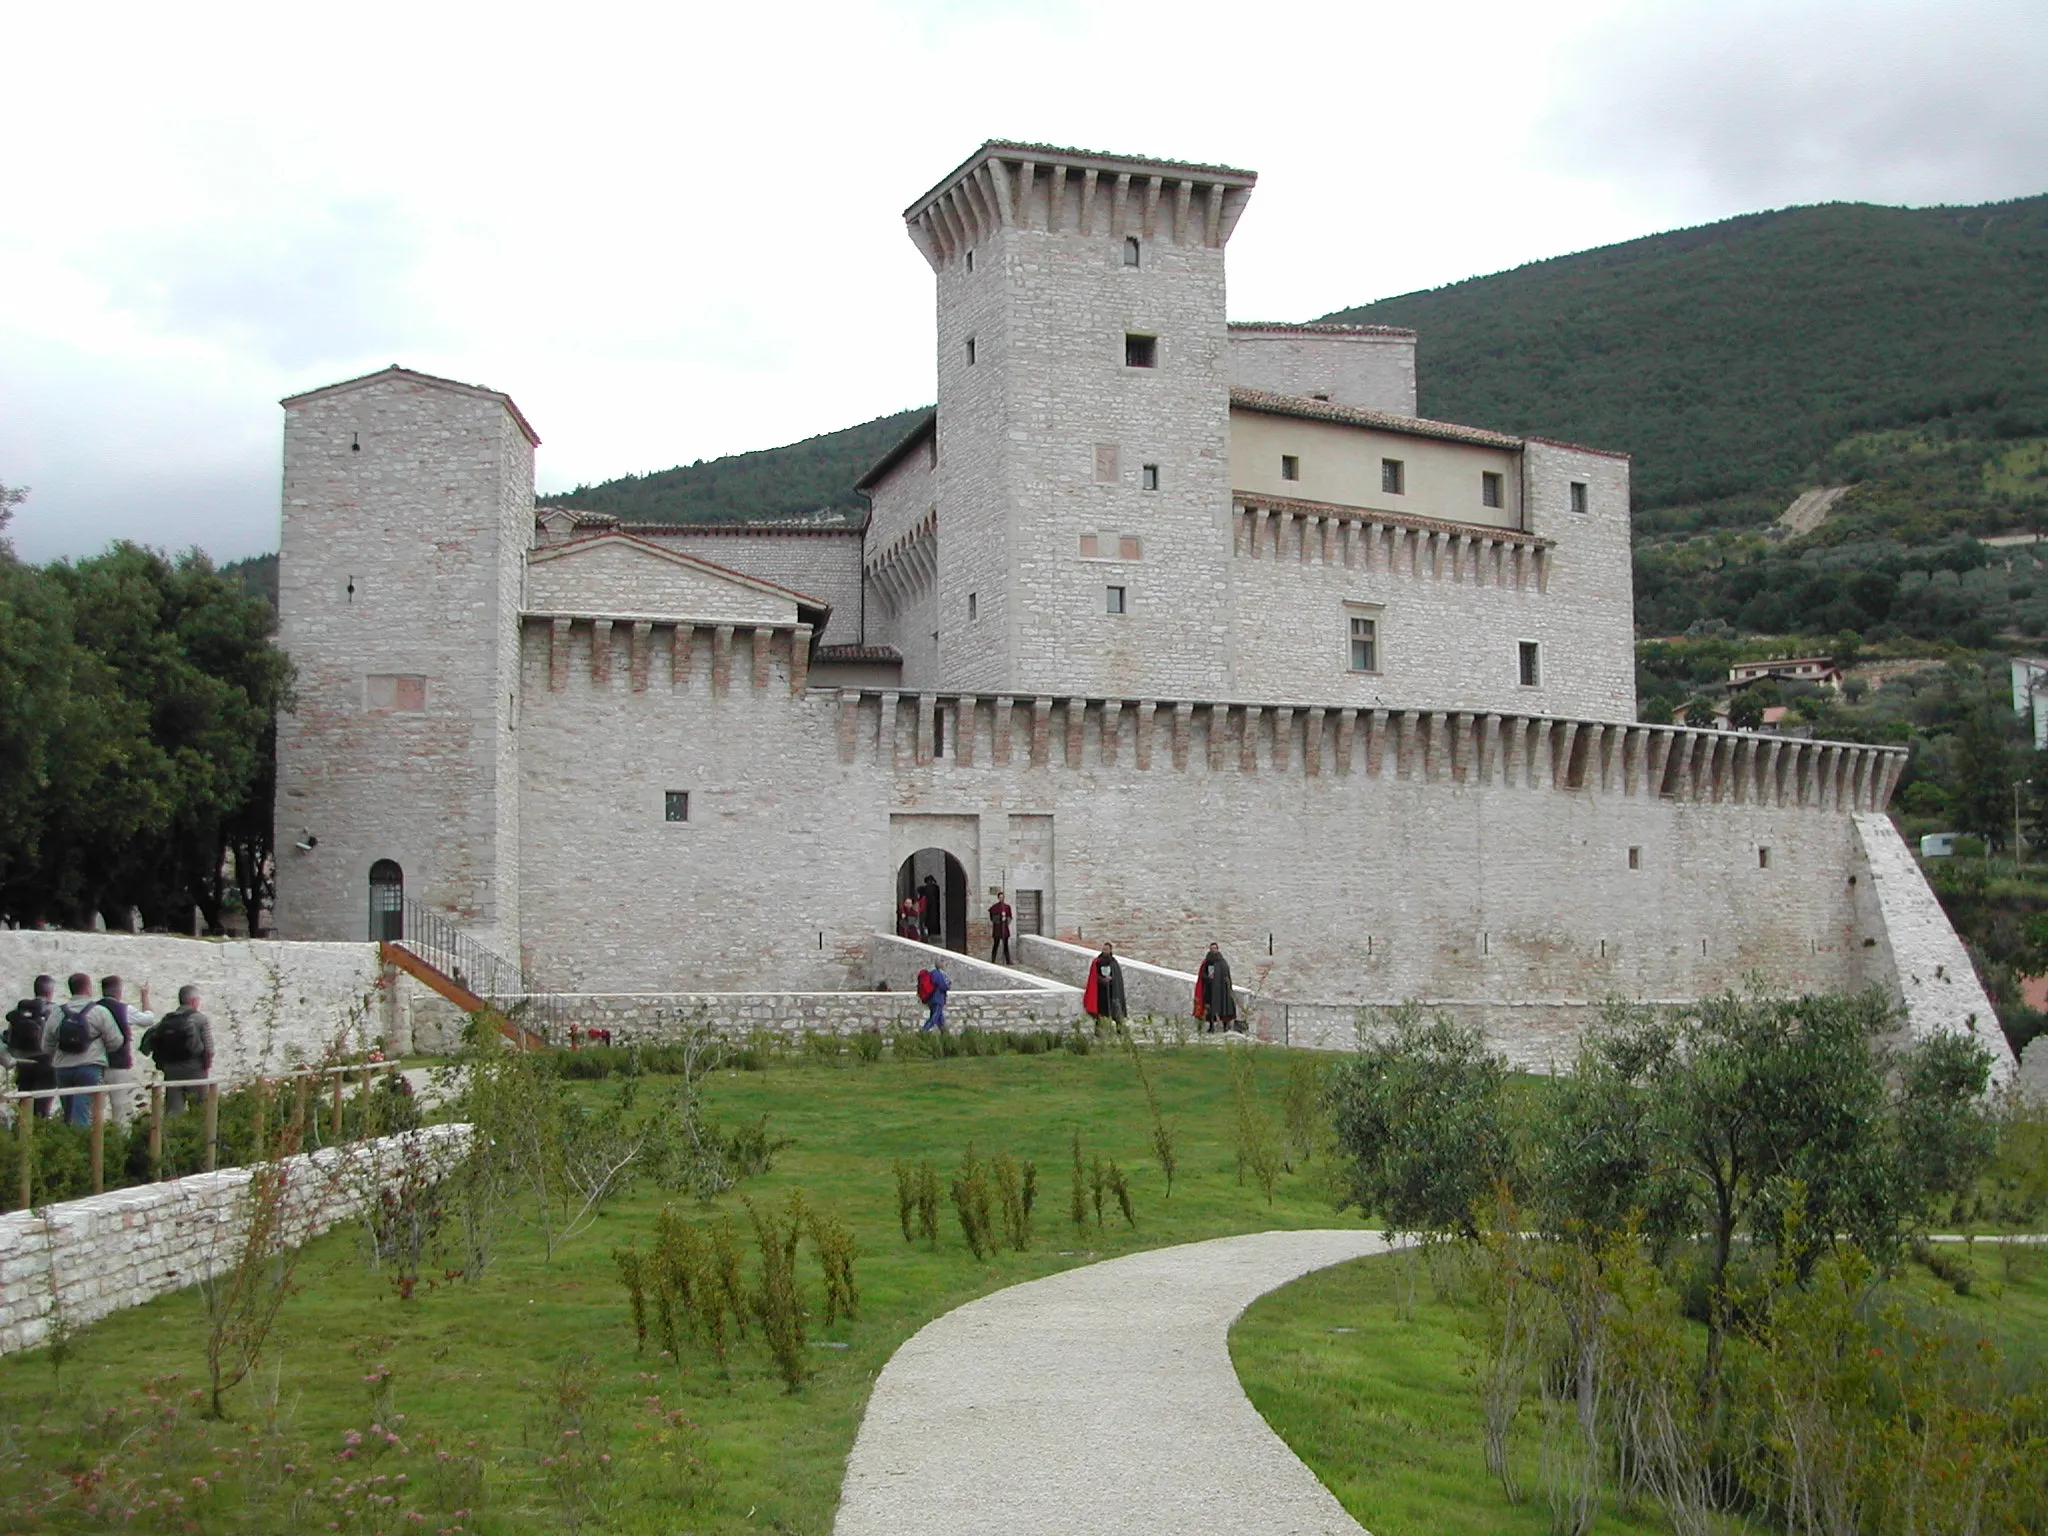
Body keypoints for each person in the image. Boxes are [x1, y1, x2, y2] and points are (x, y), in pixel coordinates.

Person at [50, 973, 122, 1128]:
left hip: (62, 1068)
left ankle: (66, 1144)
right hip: (89, 1067)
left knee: (68, 1113)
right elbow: (116, 1041)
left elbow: (46, 1043)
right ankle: (82, 1148)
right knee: (83, 1113)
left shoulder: (58, 1012)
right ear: (88, 988)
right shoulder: (99, 1011)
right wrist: (101, 1049)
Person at [141, 984, 214, 1116]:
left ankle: (170, 1135)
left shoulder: (167, 1019)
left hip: (171, 1070)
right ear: (194, 1001)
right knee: (199, 1110)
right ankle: (198, 1136)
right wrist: (205, 1069)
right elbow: (209, 1049)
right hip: (195, 1071)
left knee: (173, 1111)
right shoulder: (200, 1019)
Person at [97, 974, 153, 1125]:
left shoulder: (93, 1009)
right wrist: (145, 997)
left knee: (95, 1109)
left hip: (96, 1064)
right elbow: (148, 1019)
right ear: (119, 991)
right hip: (119, 1064)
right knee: (120, 1108)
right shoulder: (124, 1010)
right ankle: (120, 1142)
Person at [5, 974, 58, 1118]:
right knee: (42, 1104)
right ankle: (38, 1133)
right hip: (45, 1062)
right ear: (50, 991)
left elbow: (9, 1037)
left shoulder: (20, 1010)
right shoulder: (54, 1010)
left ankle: (21, 1134)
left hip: (22, 1063)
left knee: (24, 1102)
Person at [1194, 943, 1240, 1033]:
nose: (1213, 950)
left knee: (1223, 1007)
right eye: (1212, 948)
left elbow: (1226, 976)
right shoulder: (1206, 962)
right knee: (1210, 1008)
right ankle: (1211, 1027)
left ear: (1217, 949)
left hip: (1221, 990)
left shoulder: (1222, 962)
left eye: (1215, 948)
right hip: (1209, 989)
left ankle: (1225, 1026)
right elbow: (1202, 974)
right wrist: (1208, 978)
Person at [1082, 942, 1127, 1024]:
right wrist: (1102, 980)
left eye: (1106, 949)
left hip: (1112, 991)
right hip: (1101, 992)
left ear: (1110, 950)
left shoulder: (1113, 962)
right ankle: (1100, 1031)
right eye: (1103, 949)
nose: (1104, 951)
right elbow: (1094, 976)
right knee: (1101, 1014)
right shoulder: (1097, 962)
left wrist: (1112, 979)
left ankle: (1119, 1030)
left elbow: (1117, 977)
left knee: (1115, 1011)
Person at [918, 962, 950, 1032]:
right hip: (937, 1000)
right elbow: (944, 986)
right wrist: (948, 983)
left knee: (940, 1020)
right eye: (944, 964)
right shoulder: (938, 974)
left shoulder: (932, 973)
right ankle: (924, 1032)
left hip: (932, 1000)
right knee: (934, 1018)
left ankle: (945, 1035)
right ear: (941, 966)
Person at [988, 889, 1014, 966]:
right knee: (996, 944)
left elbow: (1009, 917)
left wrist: (1006, 921)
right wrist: (999, 919)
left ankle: (1008, 961)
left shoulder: (1007, 907)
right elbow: (992, 917)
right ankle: (993, 960)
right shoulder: (994, 907)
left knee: (1005, 945)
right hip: (997, 928)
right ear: (998, 898)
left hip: (1004, 928)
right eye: (1000, 897)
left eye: (1002, 897)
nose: (1001, 898)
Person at [918, 874, 942, 942]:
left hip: (927, 908)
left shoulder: (926, 889)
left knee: (926, 922)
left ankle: (926, 936)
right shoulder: (935, 888)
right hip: (932, 908)